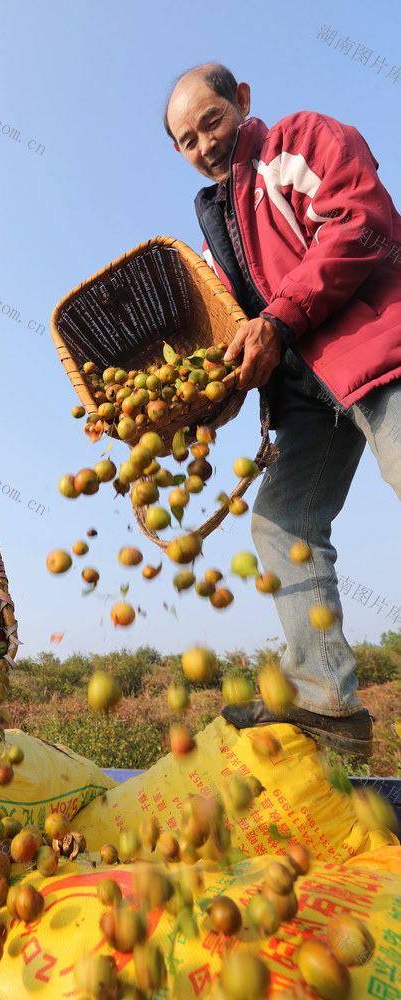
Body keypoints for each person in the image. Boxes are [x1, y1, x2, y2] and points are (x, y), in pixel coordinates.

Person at [164, 63, 401, 757]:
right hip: (304, 398)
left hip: (373, 345)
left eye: (210, 121)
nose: (203, 143)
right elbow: (234, 339)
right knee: (279, 522)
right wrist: (206, 405)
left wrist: (280, 319)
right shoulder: (213, 235)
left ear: (241, 101)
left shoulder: (295, 143)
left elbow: (359, 221)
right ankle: (324, 701)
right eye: (186, 139)